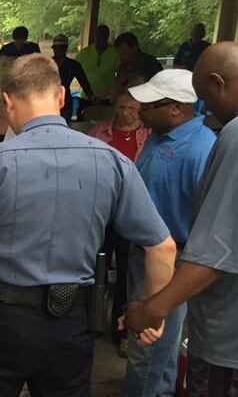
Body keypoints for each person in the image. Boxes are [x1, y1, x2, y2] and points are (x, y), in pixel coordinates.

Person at [0, 54, 177, 396]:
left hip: (0, 322)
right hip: (71, 325)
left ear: (9, 101)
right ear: (61, 96)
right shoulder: (112, 162)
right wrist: (152, 311)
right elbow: (162, 247)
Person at [124, 41, 238, 397]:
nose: (206, 108)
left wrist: (154, 307)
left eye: (206, 96)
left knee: (152, 359)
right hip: (156, 263)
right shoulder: (157, 140)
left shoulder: (225, 139)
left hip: (188, 276)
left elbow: (218, 246)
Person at [121, 69, 216, 397]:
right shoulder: (159, 136)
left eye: (149, 105)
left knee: (152, 352)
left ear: (177, 108)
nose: (141, 110)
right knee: (141, 345)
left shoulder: (201, 149)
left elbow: (209, 221)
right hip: (142, 253)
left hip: (173, 259)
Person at [89, 77, 152, 356]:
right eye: (122, 107)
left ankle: (121, 330)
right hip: (101, 212)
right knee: (93, 269)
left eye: (132, 108)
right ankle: (90, 323)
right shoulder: (98, 132)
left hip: (131, 214)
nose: (126, 112)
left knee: (127, 273)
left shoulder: (148, 137)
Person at [51, 34, 95, 122]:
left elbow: (84, 82)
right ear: (53, 49)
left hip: (66, 103)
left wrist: (93, 98)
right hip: (48, 102)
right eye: (56, 47)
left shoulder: (73, 65)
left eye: (61, 47)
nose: (58, 50)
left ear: (66, 48)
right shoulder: (46, 63)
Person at [76, 24, 119, 102]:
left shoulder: (115, 53)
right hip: (86, 97)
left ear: (107, 36)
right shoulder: (85, 53)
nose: (101, 38)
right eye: (99, 35)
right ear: (95, 36)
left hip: (106, 98)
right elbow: (74, 70)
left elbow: (121, 74)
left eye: (104, 36)